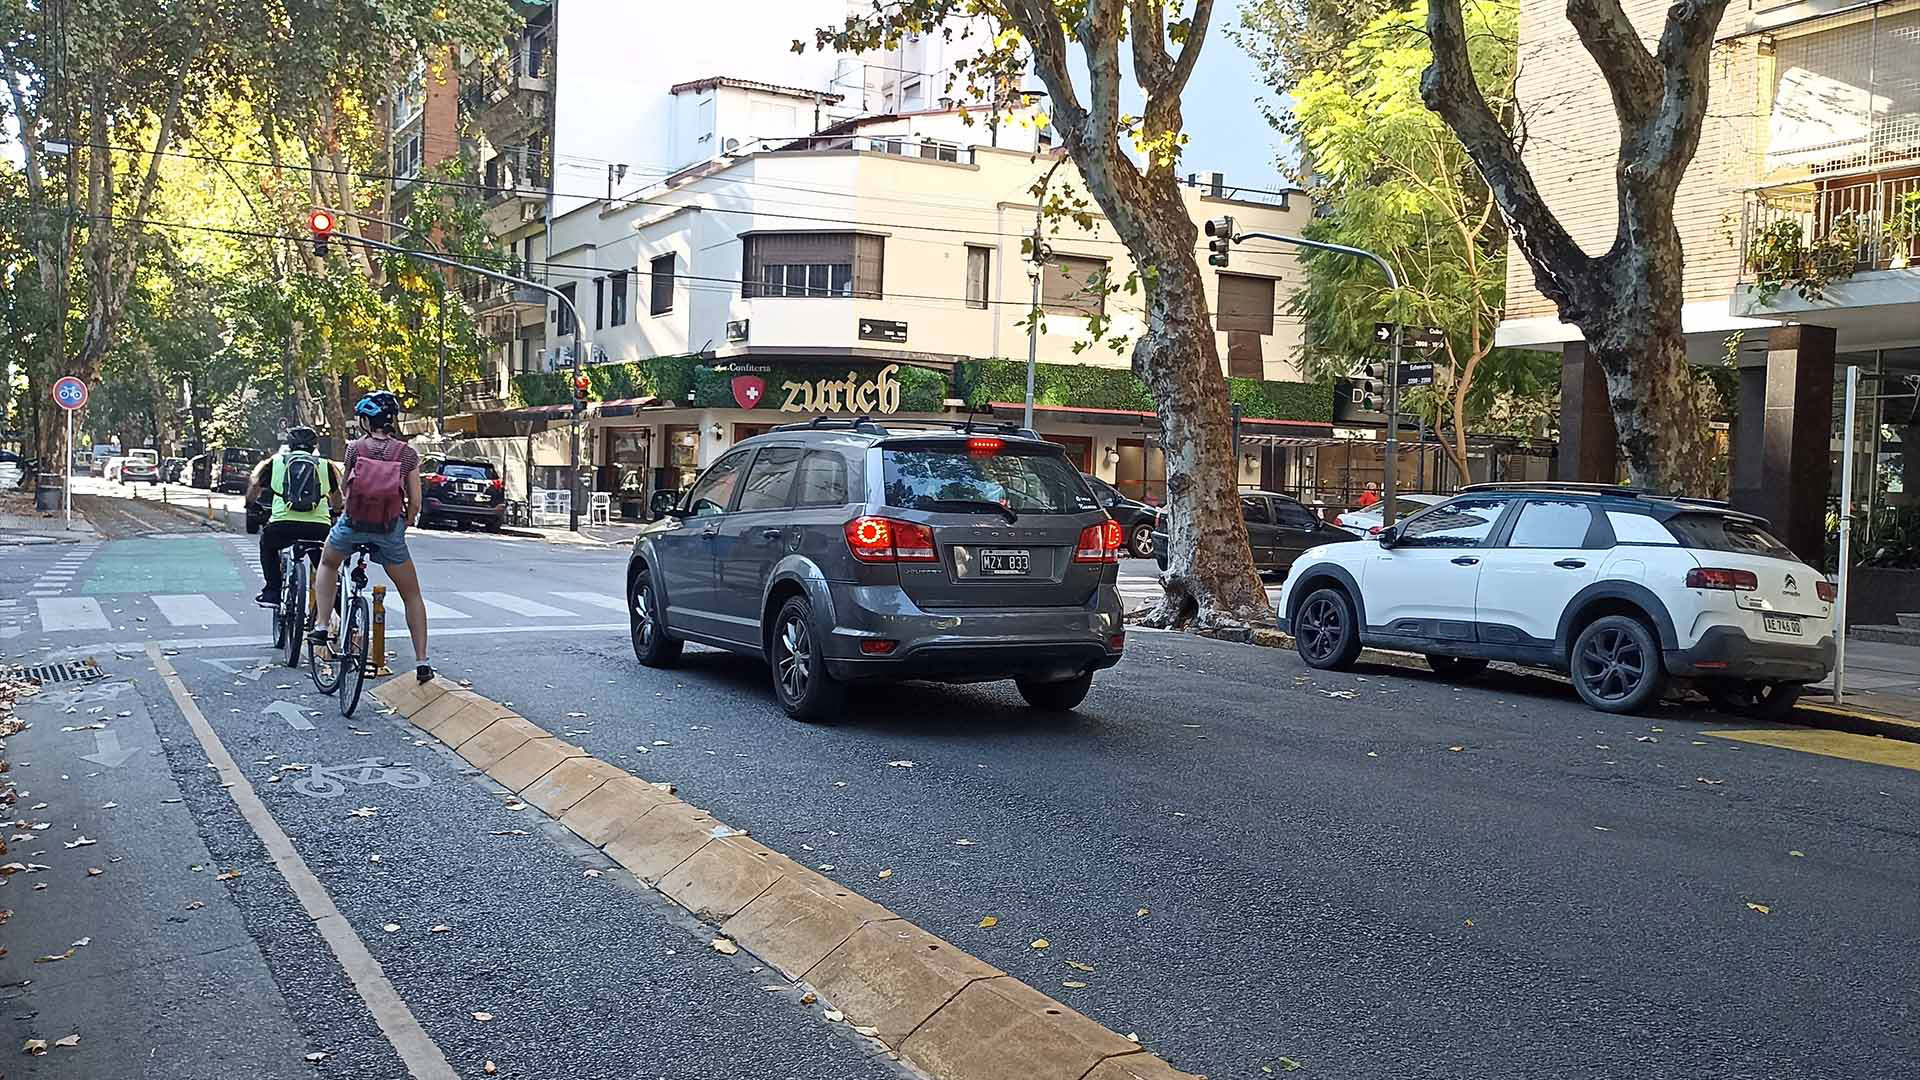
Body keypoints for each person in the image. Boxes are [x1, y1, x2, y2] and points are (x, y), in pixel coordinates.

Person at [311, 391, 434, 684]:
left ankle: (322, 624)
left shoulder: (355, 448)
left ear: (366, 421)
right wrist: (406, 523)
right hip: (389, 529)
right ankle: (422, 662)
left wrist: (345, 514)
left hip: (353, 524)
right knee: (412, 594)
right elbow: (415, 500)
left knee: (328, 563)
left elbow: (344, 489)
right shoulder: (407, 454)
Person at [249, 426, 343, 608]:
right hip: (318, 529)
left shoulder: (275, 462)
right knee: (326, 567)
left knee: (267, 544)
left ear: (289, 444)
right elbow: (336, 495)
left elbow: (255, 486)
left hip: (282, 526)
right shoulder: (325, 464)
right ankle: (340, 609)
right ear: (314, 446)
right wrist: (337, 510)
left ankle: (272, 592)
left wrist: (250, 504)